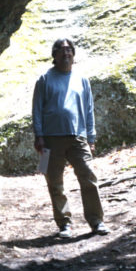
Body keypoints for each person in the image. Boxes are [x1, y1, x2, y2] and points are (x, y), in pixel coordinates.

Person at [32, 38, 109, 238]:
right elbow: (37, 110)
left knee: (89, 177)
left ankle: (96, 221)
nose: (66, 53)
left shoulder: (82, 79)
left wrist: (91, 137)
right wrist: (39, 136)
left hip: (78, 137)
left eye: (69, 50)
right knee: (54, 183)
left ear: (73, 54)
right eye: (62, 50)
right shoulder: (44, 79)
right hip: (50, 139)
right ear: (54, 55)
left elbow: (89, 109)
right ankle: (64, 224)